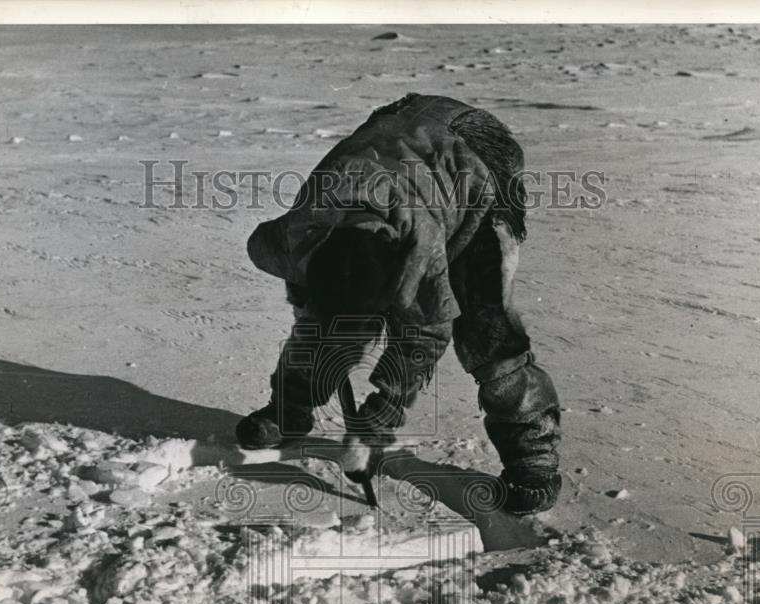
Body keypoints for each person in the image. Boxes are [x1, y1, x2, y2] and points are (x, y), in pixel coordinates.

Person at [236, 92, 562, 516]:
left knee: (485, 329)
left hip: (474, 161)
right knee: (321, 327)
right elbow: (316, 312)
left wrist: (371, 427)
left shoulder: (418, 247)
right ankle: (289, 409)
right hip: (398, 136)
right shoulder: (294, 235)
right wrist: (321, 328)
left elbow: (423, 339)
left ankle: (532, 457)